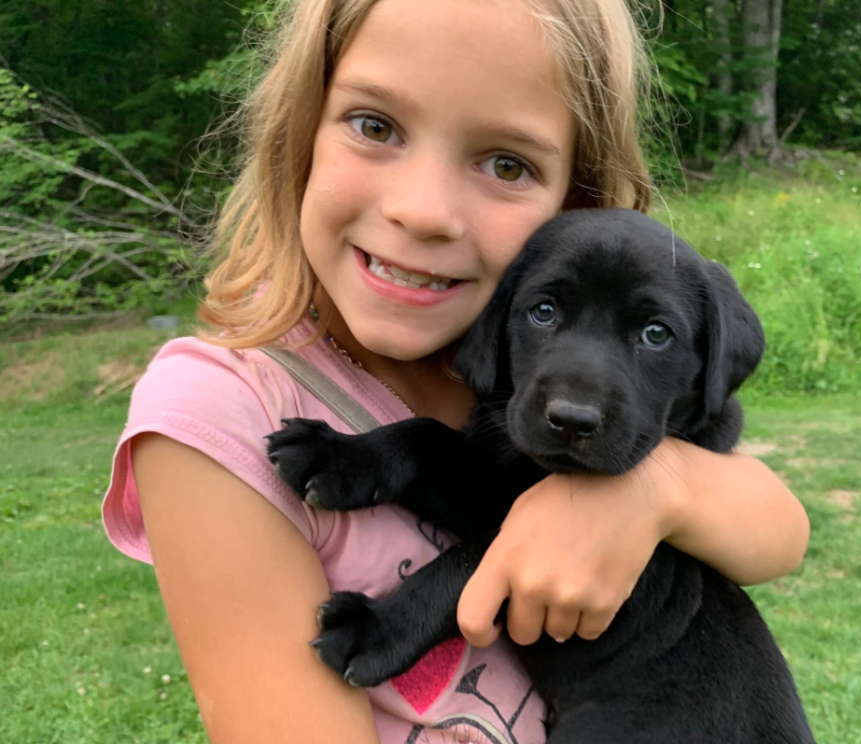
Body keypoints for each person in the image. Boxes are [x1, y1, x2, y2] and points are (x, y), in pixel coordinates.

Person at [101, 0, 811, 742]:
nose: (424, 211)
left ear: (573, 201)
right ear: (298, 133)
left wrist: (658, 489)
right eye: (374, 125)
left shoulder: (530, 390)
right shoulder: (216, 417)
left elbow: (782, 534)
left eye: (508, 164)